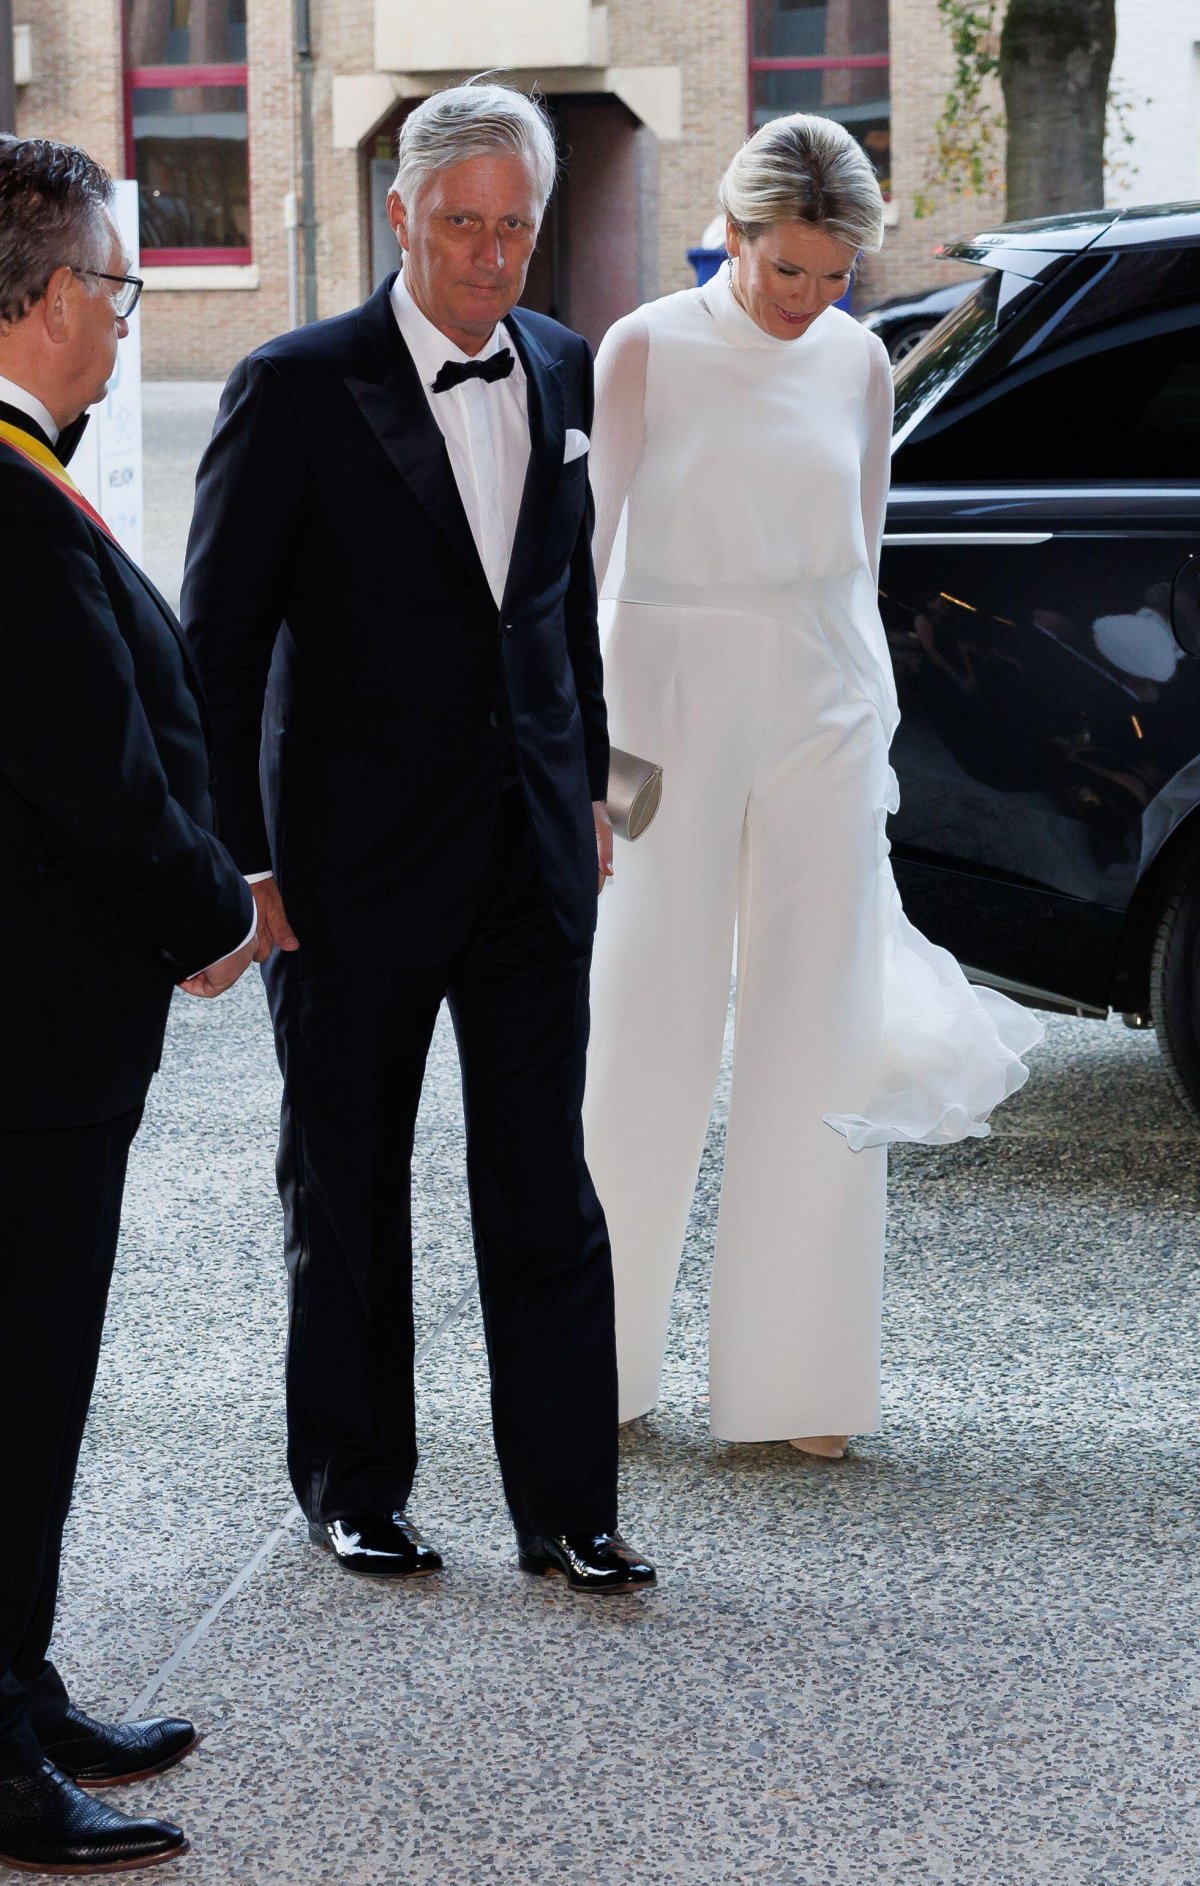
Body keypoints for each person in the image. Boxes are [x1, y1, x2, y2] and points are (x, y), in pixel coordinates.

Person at [182, 81, 654, 1595]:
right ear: (400, 217)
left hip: (527, 855)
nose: (490, 255)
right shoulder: (293, 384)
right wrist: (245, 869)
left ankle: (572, 1506)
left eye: (515, 227)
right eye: (462, 224)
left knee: (544, 1184)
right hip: (342, 870)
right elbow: (218, 653)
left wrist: (584, 779)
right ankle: (354, 1484)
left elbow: (560, 602)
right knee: (348, 1184)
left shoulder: (566, 367)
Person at [583, 114, 1043, 1454]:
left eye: (835, 274)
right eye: (789, 269)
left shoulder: (858, 365)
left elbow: (861, 558)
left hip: (820, 710)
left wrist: (870, 738)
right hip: (659, 710)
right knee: (641, 1027)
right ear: (732, 234)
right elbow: (586, 572)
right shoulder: (645, 351)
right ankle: (595, 1364)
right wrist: (583, 769)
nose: (812, 300)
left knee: (815, 1032)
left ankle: (798, 1387)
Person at [0, 137, 256, 1874]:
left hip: (50, 1021)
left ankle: (15, 1681)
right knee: (15, 1384)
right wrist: (211, 913)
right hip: (29, 1033)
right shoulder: (6, 498)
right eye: (116, 285)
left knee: (36, 1377)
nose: (124, 319)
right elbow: (84, 767)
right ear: (43, 293)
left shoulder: (32, 470)